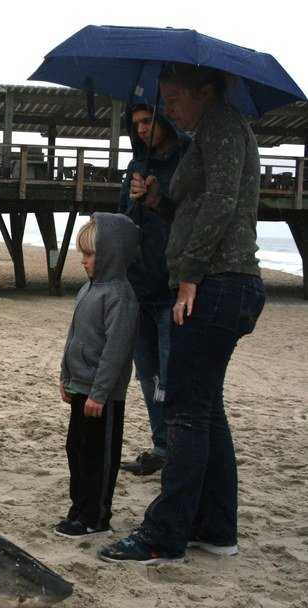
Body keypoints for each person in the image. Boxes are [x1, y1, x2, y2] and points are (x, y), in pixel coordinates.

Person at [100, 64, 266, 564]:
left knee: (186, 413)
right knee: (206, 411)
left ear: (205, 91)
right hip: (217, 281)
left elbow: (222, 205)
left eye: (174, 99)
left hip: (217, 283)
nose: (167, 108)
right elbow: (194, 210)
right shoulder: (209, 133)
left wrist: (190, 275)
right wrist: (155, 199)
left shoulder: (223, 127)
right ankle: (216, 528)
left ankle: (165, 535)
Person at [117, 102, 190, 476]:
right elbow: (122, 223)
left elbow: (195, 219)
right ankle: (161, 446)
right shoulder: (135, 165)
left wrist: (158, 199)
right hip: (139, 287)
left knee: (173, 375)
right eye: (137, 124)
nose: (142, 129)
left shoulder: (187, 159)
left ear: (165, 119)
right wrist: (133, 200)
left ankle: (179, 450)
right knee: (148, 375)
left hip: (174, 287)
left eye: (148, 121)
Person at [57, 214, 139, 538]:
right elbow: (73, 336)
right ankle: (78, 507)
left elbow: (116, 351)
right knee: (75, 449)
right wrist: (65, 376)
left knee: (98, 457)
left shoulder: (120, 295)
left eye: (89, 255)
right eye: (83, 254)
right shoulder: (87, 290)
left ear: (110, 255)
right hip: (79, 388)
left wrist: (100, 393)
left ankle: (95, 515)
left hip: (102, 397)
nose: (84, 261)